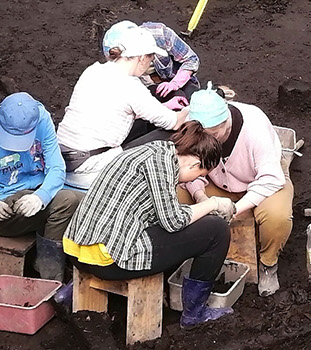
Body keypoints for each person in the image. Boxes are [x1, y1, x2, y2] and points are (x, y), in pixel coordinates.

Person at [63, 125, 238, 327]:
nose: (196, 180)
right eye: (200, 174)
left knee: (180, 227)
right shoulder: (161, 166)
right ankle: (194, 314)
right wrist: (213, 204)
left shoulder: (152, 150)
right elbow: (174, 222)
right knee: (216, 230)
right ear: (194, 164)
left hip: (76, 251)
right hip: (107, 261)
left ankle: (69, 292)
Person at [182, 88, 293, 296]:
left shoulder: (255, 127)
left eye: (213, 135)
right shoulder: (194, 129)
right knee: (177, 197)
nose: (208, 141)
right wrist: (201, 197)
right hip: (215, 182)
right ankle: (188, 258)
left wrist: (234, 209)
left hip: (260, 180)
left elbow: (270, 178)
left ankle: (269, 263)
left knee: (277, 216)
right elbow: (188, 169)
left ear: (225, 123)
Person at [56, 24, 185, 189]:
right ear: (141, 58)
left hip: (64, 157)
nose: (150, 63)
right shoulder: (131, 86)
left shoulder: (93, 71)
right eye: (151, 58)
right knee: (168, 134)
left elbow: (111, 110)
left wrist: (164, 106)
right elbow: (173, 122)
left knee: (144, 123)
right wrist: (191, 109)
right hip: (90, 168)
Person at [0, 93, 84, 281]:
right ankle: (51, 276)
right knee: (66, 201)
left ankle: (50, 267)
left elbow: (56, 167)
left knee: (84, 200)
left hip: (38, 193)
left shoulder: (42, 120)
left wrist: (40, 196)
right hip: (7, 208)